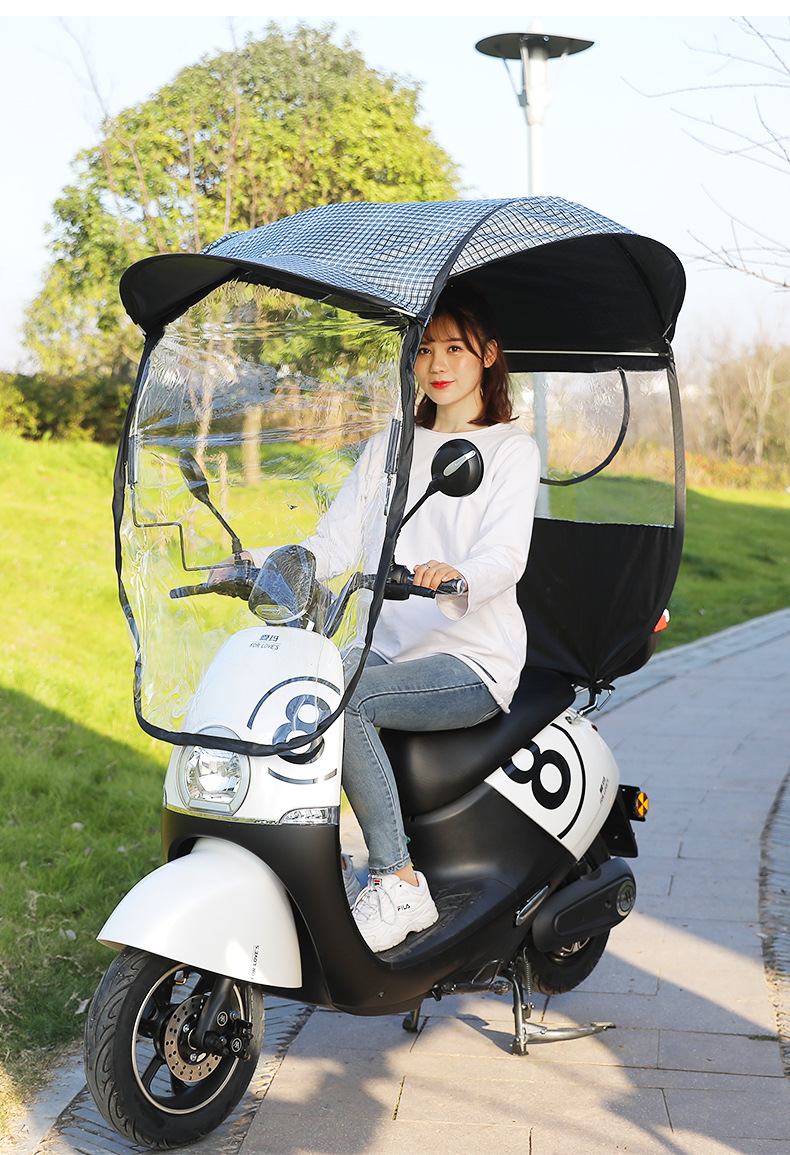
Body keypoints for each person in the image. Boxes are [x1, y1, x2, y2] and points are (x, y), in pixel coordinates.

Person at [339, 283, 541, 951]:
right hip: (391, 647)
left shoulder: (510, 449)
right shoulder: (392, 443)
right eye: (425, 348)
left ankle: (398, 880)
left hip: (470, 658)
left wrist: (457, 575)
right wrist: (257, 560)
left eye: (455, 346)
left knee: (349, 696)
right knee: (314, 680)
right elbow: (333, 537)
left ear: (488, 353)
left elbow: (505, 555)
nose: (438, 362)